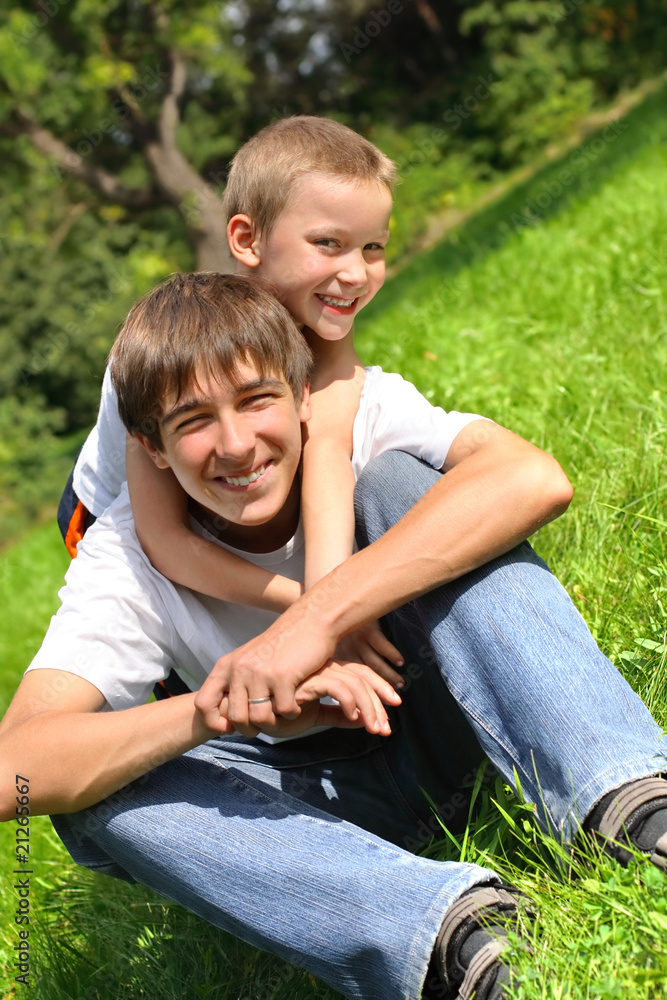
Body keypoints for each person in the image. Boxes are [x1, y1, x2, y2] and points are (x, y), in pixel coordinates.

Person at [3, 272, 667, 1000]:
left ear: (301, 396)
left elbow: (533, 480)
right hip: (306, 807)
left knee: (402, 484)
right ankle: (447, 933)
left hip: (450, 714)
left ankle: (629, 801)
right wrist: (227, 706)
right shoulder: (126, 555)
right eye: (192, 421)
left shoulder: (361, 417)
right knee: (90, 791)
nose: (235, 444)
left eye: (256, 400)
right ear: (151, 447)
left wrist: (317, 618)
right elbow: (16, 770)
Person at [58, 115, 411, 678]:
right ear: (247, 240)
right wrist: (310, 606)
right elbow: (166, 542)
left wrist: (332, 608)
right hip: (112, 507)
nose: (355, 274)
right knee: (180, 624)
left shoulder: (324, 326)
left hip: (220, 475)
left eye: (373, 247)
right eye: (328, 243)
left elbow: (327, 450)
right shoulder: (173, 356)